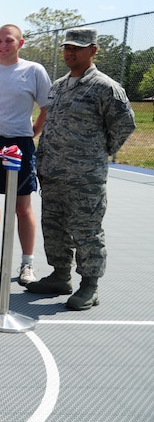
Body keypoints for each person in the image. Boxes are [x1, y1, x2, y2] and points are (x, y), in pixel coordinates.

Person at [26, 28, 135, 310]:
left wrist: (96, 153)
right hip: (53, 173)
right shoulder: (60, 85)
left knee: (86, 231)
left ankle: (90, 285)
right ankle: (60, 276)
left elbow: (124, 125)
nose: (70, 52)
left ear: (93, 50)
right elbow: (50, 125)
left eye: (78, 47)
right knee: (55, 228)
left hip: (85, 179)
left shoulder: (104, 87)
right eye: (67, 47)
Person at [0, 24, 51, 284]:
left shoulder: (34, 71)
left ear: (21, 43)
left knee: (21, 206)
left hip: (20, 144)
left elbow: (46, 108)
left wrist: (30, 134)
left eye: (8, 41)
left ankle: (27, 264)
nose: (3, 45)